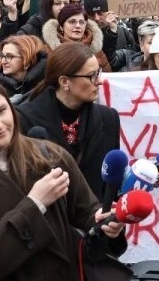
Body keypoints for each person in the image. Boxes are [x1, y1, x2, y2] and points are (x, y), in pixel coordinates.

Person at [0, 75, 126, 281]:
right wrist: (35, 204)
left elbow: (87, 212)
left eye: (2, 111)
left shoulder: (50, 156)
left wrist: (107, 225)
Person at [16, 42, 121, 199]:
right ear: (64, 82)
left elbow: (111, 184)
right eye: (92, 76)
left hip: (96, 218)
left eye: (98, 72)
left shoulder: (109, 118)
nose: (99, 81)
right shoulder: (24, 120)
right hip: (50, 219)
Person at [41, 3, 112, 72]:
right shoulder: (48, 50)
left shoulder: (95, 48)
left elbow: (107, 78)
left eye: (81, 22)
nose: (78, 26)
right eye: (72, 22)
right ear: (61, 27)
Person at [0, 35, 49, 103]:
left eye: (9, 56)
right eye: (3, 56)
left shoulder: (44, 88)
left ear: (27, 59)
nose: (3, 62)